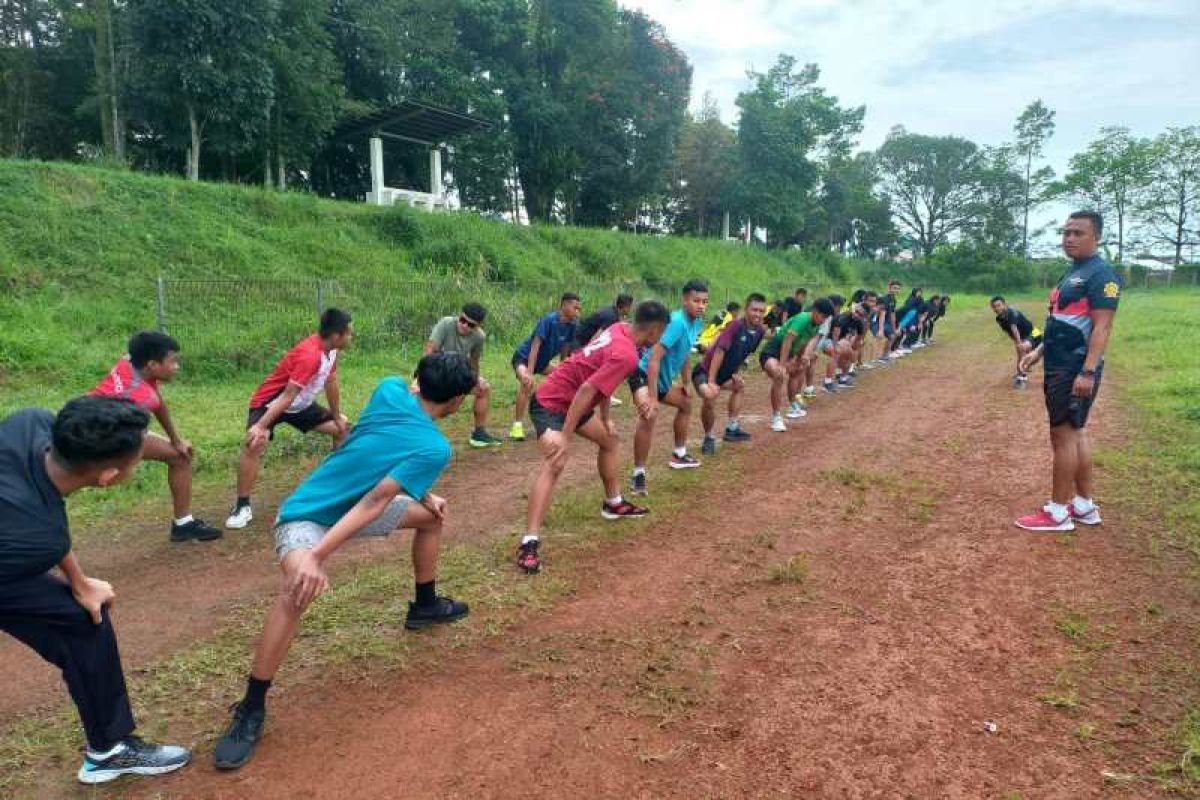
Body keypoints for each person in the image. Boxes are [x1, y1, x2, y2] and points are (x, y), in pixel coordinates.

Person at [213, 353, 478, 770]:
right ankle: (251, 706)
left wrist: (425, 495)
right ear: (459, 399)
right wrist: (315, 557)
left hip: (354, 510)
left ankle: (425, 606)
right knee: (297, 589)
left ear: (417, 378)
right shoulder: (435, 446)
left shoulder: (390, 388)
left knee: (432, 517)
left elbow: (381, 468)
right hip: (308, 515)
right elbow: (376, 498)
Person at [0, 397, 192, 784]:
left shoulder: (31, 423)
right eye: (136, 461)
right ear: (108, 477)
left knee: (81, 621)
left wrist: (80, 582)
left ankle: (108, 750)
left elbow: (48, 518)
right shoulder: (36, 538)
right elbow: (45, 535)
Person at [517, 301, 671, 573]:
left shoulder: (620, 328)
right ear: (655, 329)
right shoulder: (628, 355)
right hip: (552, 402)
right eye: (663, 332)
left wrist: (606, 417)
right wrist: (565, 436)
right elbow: (587, 389)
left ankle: (613, 503)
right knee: (556, 461)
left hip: (576, 402)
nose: (662, 337)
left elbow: (601, 380)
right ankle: (529, 541)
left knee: (609, 441)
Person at [1015, 211, 1121, 533]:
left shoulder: (1102, 275)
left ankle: (1058, 512)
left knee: (1061, 435)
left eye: (1078, 233)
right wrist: (1037, 351)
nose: (1069, 238)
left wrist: (1087, 372)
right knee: (1075, 434)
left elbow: (1102, 328)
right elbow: (1059, 321)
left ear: (1096, 237)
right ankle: (1085, 506)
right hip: (1058, 362)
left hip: (1073, 368)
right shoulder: (1073, 273)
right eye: (1066, 232)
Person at [225, 309, 354, 530]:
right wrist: (261, 426)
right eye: (349, 333)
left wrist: (336, 416)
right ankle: (242, 506)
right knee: (254, 442)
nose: (351, 337)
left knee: (342, 429)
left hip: (299, 404)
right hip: (271, 403)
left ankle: (334, 490)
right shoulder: (310, 355)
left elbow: (330, 382)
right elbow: (286, 395)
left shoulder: (331, 351)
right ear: (336, 335)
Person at [89, 331, 220, 542]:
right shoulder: (140, 398)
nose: (176, 366)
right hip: (95, 434)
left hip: (101, 420)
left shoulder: (129, 361)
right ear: (152, 365)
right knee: (88, 479)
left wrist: (176, 440)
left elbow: (158, 402)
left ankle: (183, 525)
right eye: (172, 361)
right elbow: (136, 430)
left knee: (180, 456)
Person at [629, 280, 709, 495]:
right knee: (649, 415)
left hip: (662, 380)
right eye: (696, 301)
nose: (701, 305)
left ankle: (679, 454)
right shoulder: (676, 322)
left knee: (686, 403)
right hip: (644, 374)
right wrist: (653, 398)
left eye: (704, 302)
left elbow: (684, 353)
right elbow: (654, 359)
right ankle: (638, 474)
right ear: (684, 300)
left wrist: (685, 382)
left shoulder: (697, 323)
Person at [694, 293, 768, 455]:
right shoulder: (735, 325)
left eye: (761, 311)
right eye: (754, 310)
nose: (758, 314)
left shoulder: (760, 331)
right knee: (710, 396)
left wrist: (736, 372)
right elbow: (719, 352)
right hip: (705, 372)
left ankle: (732, 429)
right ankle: (708, 437)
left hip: (725, 375)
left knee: (739, 386)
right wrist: (712, 380)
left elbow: (743, 352)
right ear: (746, 309)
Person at [425, 302, 503, 447]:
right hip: (436, 371)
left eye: (471, 324)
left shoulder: (479, 337)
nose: (465, 325)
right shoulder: (446, 323)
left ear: (478, 326)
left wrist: (473, 380)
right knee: (438, 407)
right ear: (459, 315)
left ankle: (479, 434)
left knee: (483, 388)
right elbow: (429, 353)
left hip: (458, 373)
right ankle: (419, 433)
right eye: (462, 320)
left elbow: (474, 362)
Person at [509, 293, 582, 442]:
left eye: (579, 308)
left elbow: (565, 347)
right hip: (524, 358)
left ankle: (559, 419)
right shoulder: (549, 320)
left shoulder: (573, 324)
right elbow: (535, 346)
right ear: (565, 305)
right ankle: (517, 426)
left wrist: (563, 368)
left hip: (542, 364)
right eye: (575, 307)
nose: (577, 311)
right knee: (526, 382)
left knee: (565, 382)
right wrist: (529, 372)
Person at [757, 297, 833, 432]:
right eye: (823, 316)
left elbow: (805, 341)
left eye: (826, 317)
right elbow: (787, 340)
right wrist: (782, 364)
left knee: (798, 370)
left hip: (790, 352)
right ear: (815, 311)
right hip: (773, 350)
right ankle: (776, 417)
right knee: (779, 375)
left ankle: (793, 405)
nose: (824, 320)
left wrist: (802, 357)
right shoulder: (803, 318)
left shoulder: (817, 325)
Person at [990, 296, 1043, 387]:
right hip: (1024, 337)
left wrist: (1019, 343)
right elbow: (1009, 332)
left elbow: (1014, 329)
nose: (997, 308)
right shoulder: (999, 319)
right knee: (1024, 355)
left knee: (1023, 352)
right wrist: (1016, 342)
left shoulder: (1010, 313)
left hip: (1034, 334)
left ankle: (1022, 378)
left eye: (999, 305)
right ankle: (1021, 372)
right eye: (994, 306)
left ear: (1004, 304)